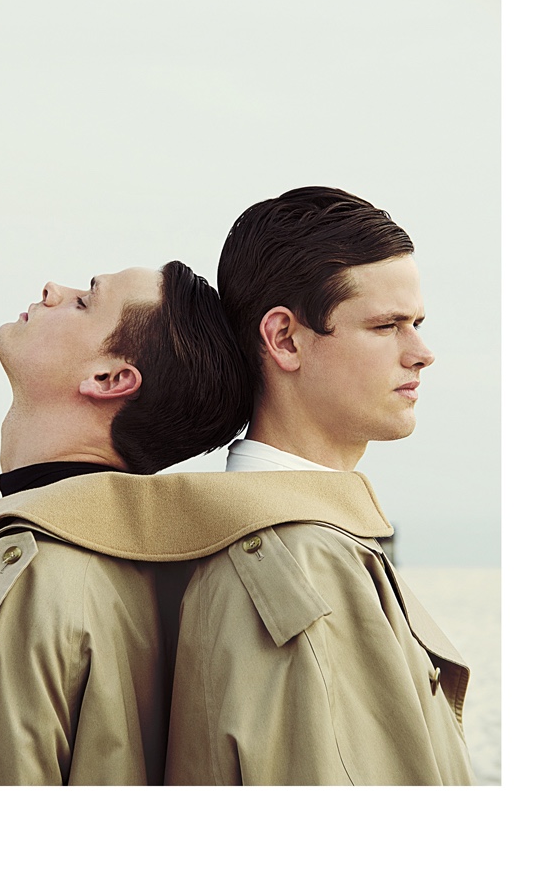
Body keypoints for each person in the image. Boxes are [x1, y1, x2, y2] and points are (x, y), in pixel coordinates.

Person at [164, 186, 476, 785]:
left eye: (416, 324)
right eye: (386, 326)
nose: (422, 353)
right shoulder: (297, 563)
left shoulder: (290, 544)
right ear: (284, 339)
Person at [0, 261, 253, 785]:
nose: (51, 289)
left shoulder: (29, 580)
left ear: (109, 379)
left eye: (85, 301)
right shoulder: (153, 579)